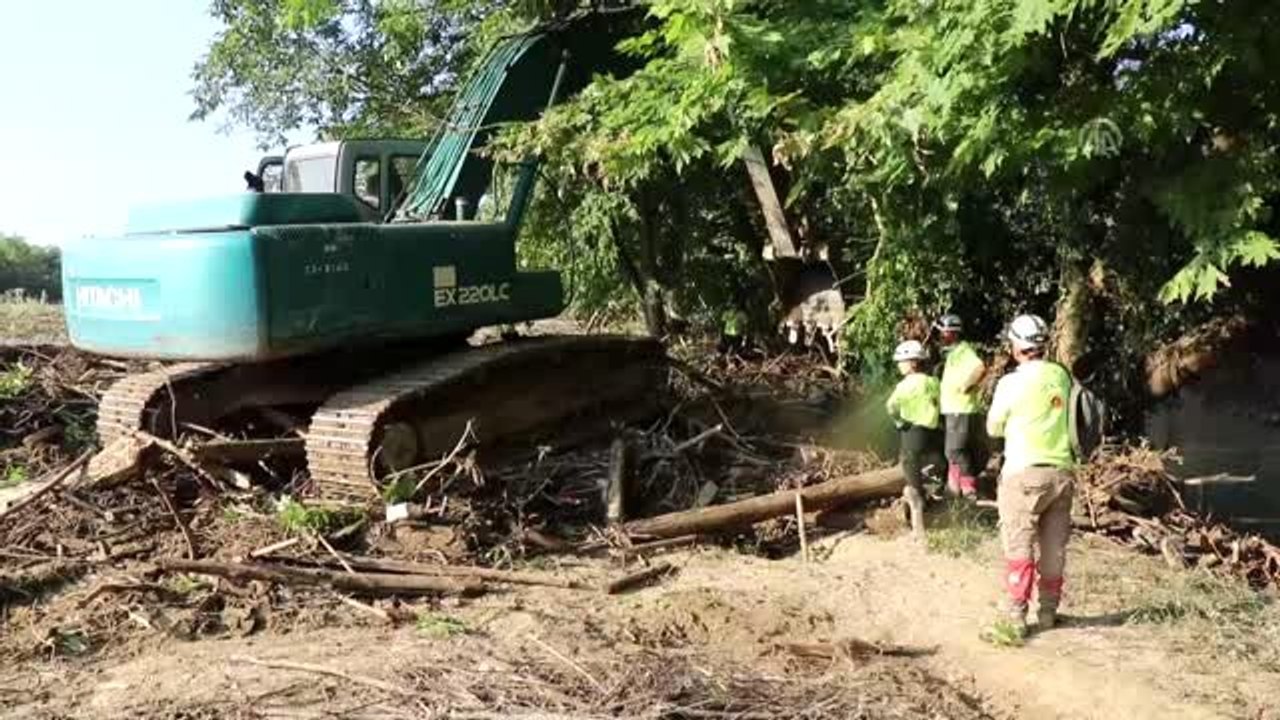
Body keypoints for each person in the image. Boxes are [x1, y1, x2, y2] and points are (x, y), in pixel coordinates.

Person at [985, 314, 1076, 637]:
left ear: (1015, 346)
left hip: (1023, 473)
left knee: (1019, 542)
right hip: (1061, 473)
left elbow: (993, 427)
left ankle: (1015, 615)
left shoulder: (1010, 383)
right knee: (1053, 547)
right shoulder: (1061, 375)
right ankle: (1049, 611)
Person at [885, 340, 944, 541]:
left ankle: (918, 522)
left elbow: (890, 406)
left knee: (911, 475)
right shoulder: (933, 382)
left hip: (912, 432)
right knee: (933, 467)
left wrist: (899, 422)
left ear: (912, 363)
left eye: (901, 362)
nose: (899, 365)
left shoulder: (905, 385)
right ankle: (935, 498)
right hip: (933, 433)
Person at [935, 314, 987, 497]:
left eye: (942, 332)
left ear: (951, 332)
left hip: (961, 408)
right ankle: (953, 489)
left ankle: (968, 488)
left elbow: (980, 368)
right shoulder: (953, 353)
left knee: (955, 451)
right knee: (953, 451)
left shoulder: (964, 351)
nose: (939, 336)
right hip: (954, 409)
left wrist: (966, 386)